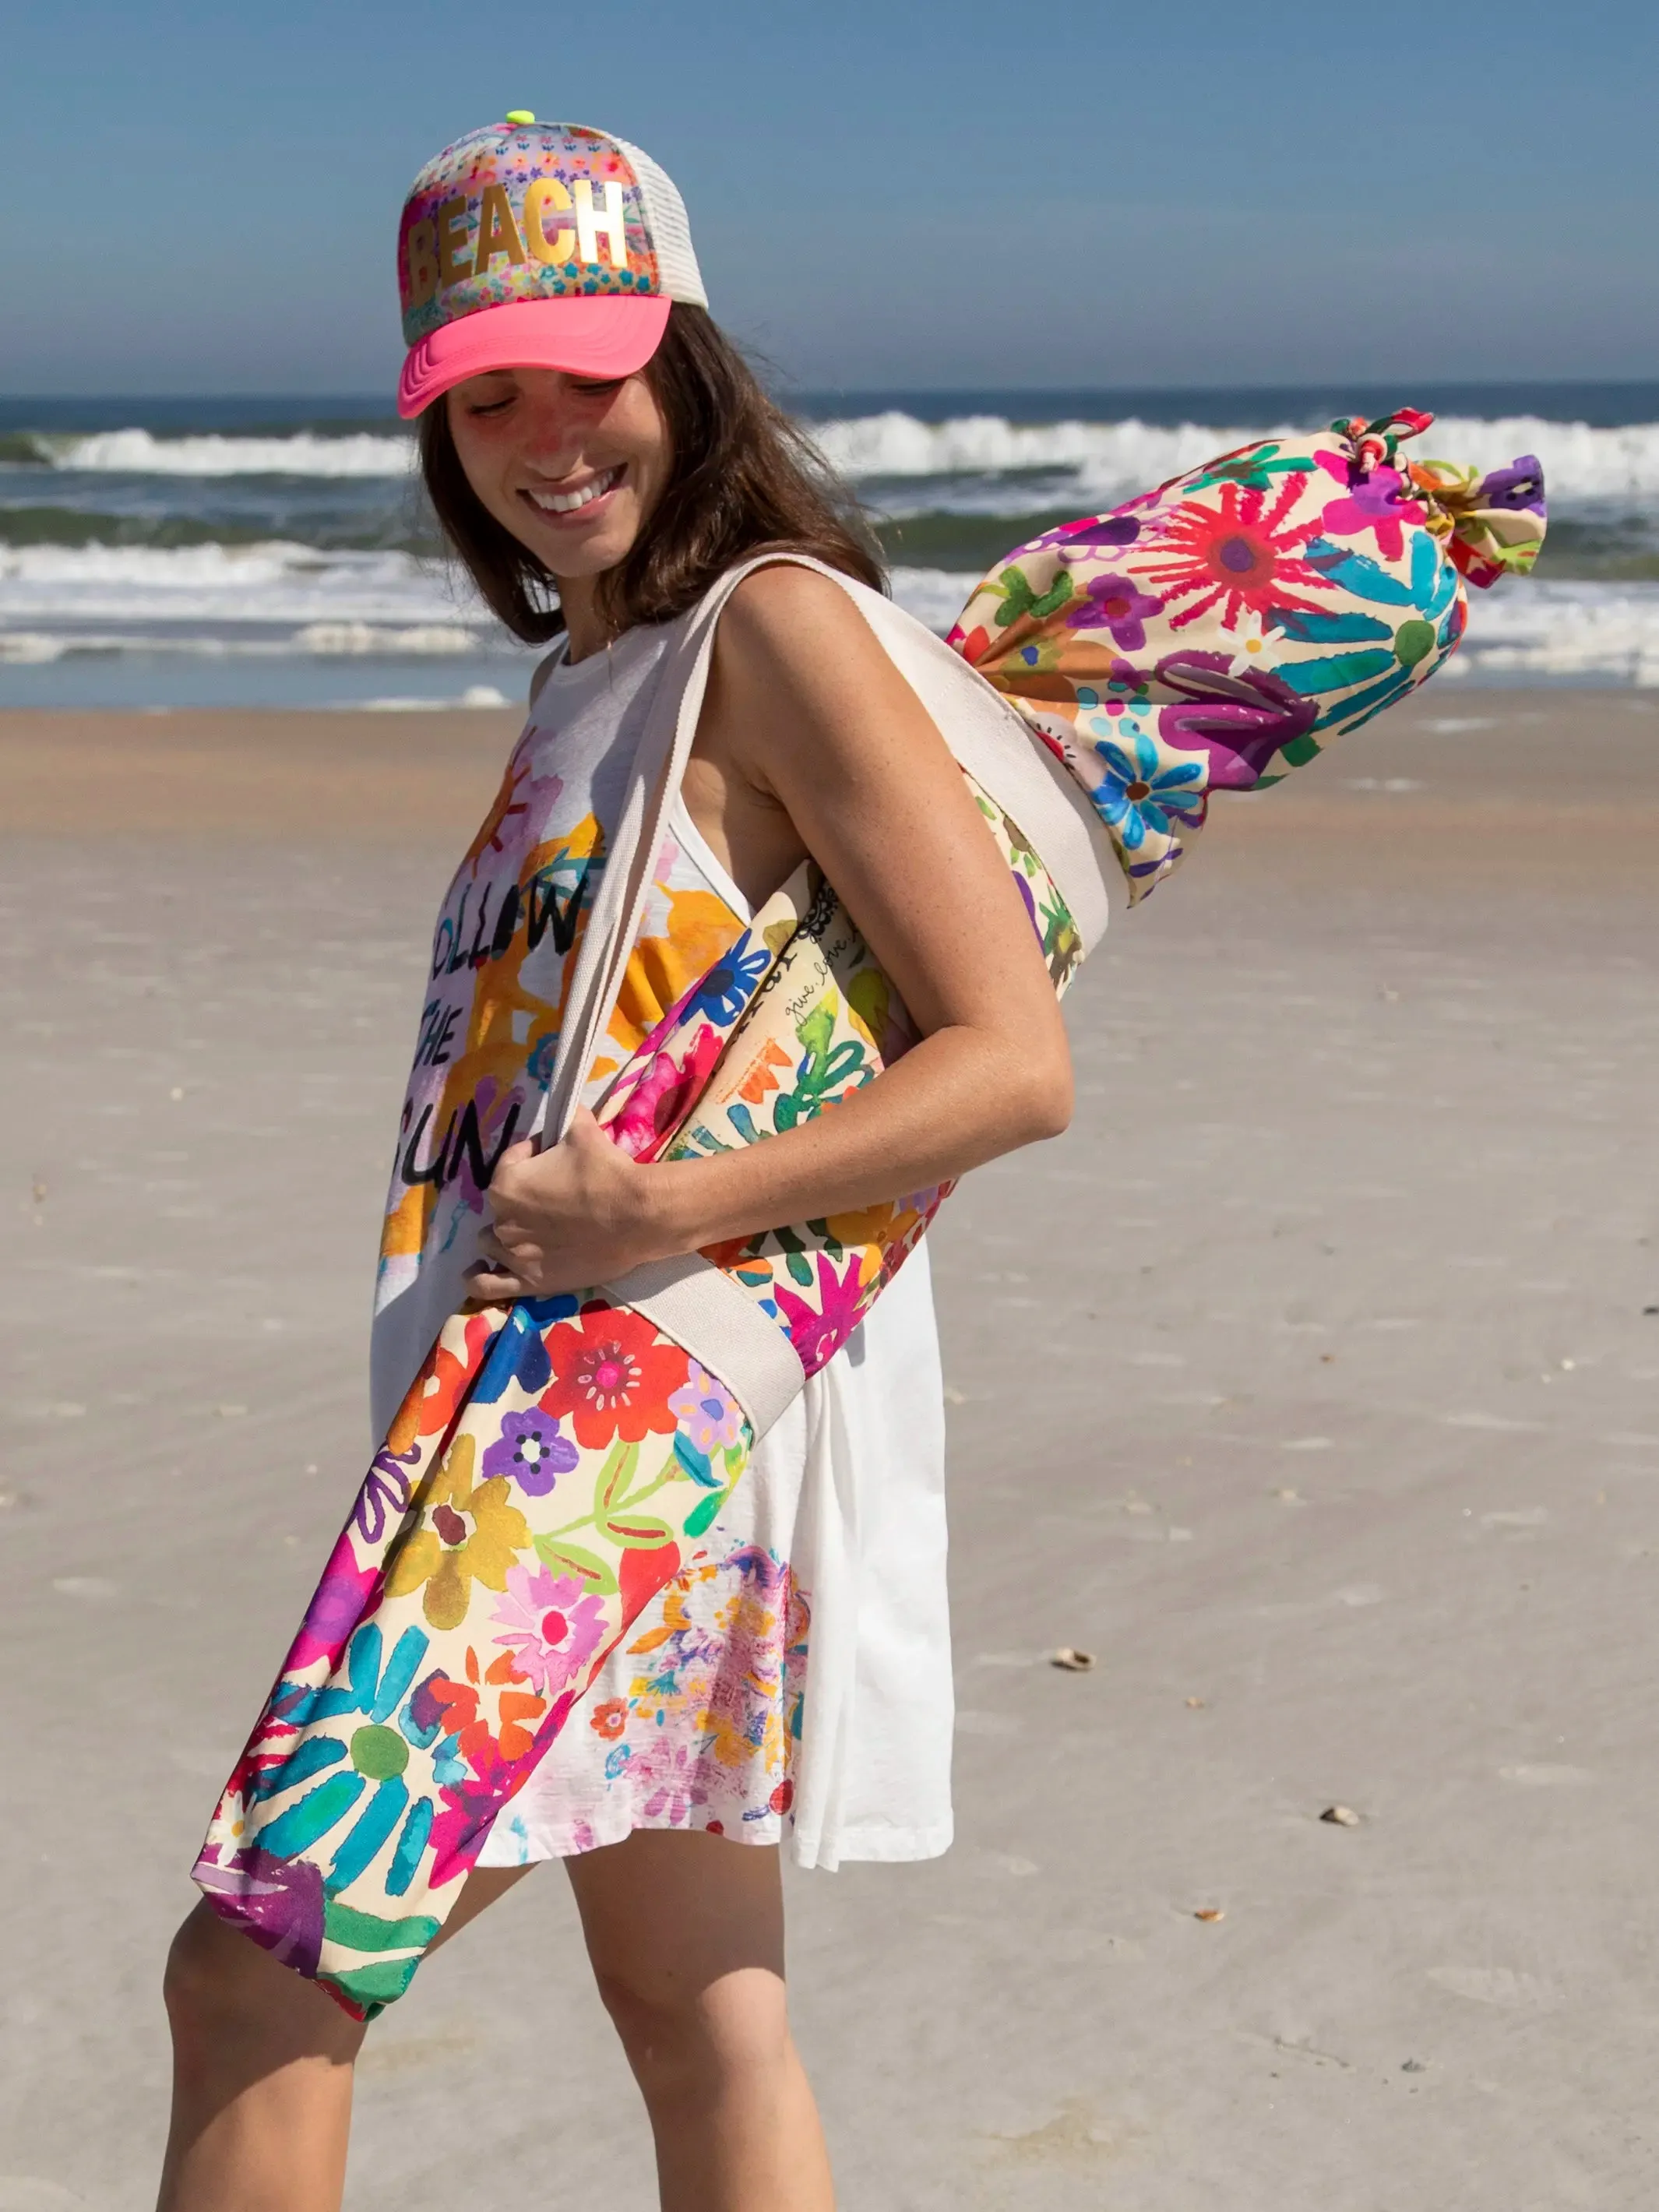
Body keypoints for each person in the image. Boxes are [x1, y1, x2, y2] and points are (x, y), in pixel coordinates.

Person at [157, 116, 1073, 2212]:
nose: (545, 436)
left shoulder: (772, 630)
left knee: (260, 1973)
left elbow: (1013, 1058)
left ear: (690, 361)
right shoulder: (598, 668)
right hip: (565, 1428)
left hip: (636, 1448)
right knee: (700, 2013)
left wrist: (656, 1216)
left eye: (590, 372)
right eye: (488, 396)